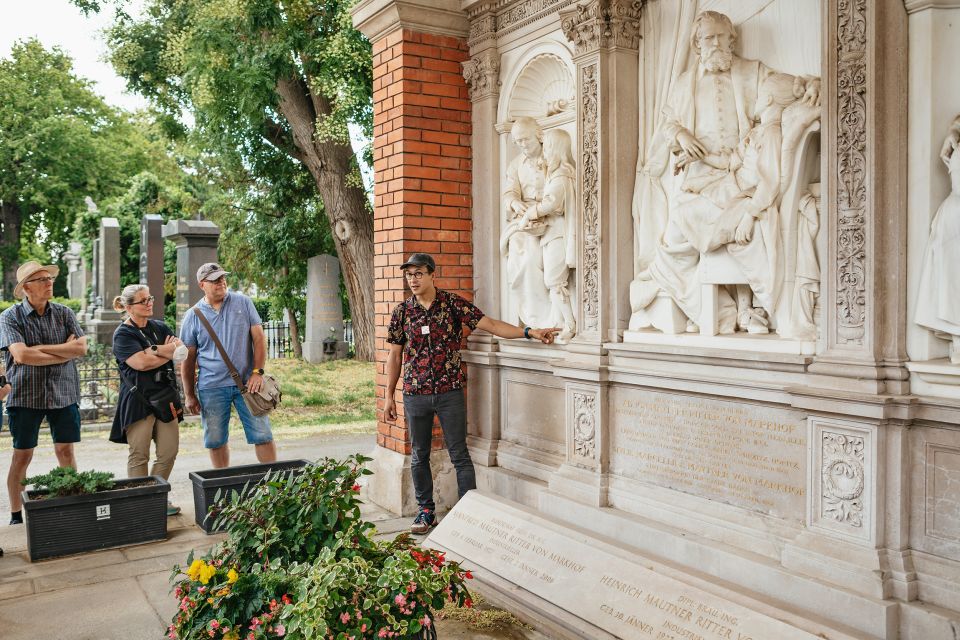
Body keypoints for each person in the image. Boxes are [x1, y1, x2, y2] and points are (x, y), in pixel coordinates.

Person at [638, 10, 820, 332]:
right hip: (698, 176)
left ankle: (747, 309)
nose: (716, 43)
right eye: (709, 38)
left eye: (722, 36)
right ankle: (713, 308)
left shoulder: (751, 72)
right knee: (674, 237)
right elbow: (668, 123)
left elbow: (788, 86)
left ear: (732, 39)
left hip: (739, 171)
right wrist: (681, 135)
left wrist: (811, 83)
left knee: (732, 223)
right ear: (697, 44)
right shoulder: (683, 85)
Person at [384, 253, 559, 533]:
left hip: (449, 392)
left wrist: (529, 332)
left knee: (459, 454)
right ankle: (426, 512)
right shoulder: (402, 312)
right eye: (409, 275)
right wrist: (388, 396)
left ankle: (469, 513)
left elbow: (491, 325)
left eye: (418, 273)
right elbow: (394, 356)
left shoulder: (452, 304)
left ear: (432, 275)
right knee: (419, 454)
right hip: (415, 394)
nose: (413, 280)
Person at [0, 261, 87, 526]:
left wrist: (40, 350)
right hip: (26, 395)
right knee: (22, 455)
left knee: (65, 452)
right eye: (42, 280)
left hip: (63, 392)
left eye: (49, 278)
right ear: (26, 288)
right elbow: (21, 355)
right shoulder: (10, 317)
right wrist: (63, 350)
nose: (49, 282)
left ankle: (73, 505)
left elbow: (81, 349)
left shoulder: (64, 313)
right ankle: (16, 514)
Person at [180, 263, 276, 468]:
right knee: (215, 440)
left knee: (262, 435)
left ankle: (274, 488)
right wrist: (189, 394)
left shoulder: (243, 302)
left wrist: (257, 372)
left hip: (248, 384)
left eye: (222, 278)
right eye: (214, 280)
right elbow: (188, 360)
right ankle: (222, 484)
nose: (221, 282)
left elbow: (259, 339)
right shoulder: (193, 316)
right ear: (202, 284)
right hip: (211, 387)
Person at [110, 284, 185, 516]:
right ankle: (139, 503)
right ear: (128, 307)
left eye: (150, 298)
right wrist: (167, 350)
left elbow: (182, 353)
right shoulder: (123, 334)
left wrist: (153, 350)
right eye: (143, 301)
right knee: (139, 454)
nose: (149, 302)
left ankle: (155, 495)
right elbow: (140, 364)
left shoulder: (159, 327)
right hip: (138, 400)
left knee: (169, 452)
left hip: (165, 397)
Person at [518, 128, 578, 342]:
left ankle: (570, 324)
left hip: (558, 235)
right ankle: (562, 323)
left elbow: (551, 203)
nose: (544, 153)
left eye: (548, 148)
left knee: (555, 281)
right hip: (552, 233)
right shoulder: (556, 174)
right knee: (553, 281)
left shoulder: (562, 175)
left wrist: (529, 215)